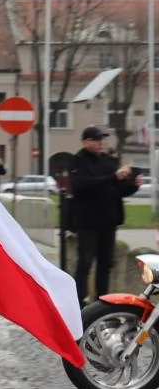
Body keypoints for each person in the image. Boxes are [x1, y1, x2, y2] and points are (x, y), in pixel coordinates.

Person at [69, 126, 141, 304]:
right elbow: (83, 185)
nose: (100, 143)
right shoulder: (78, 161)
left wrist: (133, 185)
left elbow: (118, 190)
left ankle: (102, 301)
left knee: (105, 264)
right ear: (85, 141)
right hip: (87, 221)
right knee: (85, 262)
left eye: (102, 139)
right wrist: (114, 178)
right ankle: (79, 300)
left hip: (108, 220)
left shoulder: (110, 161)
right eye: (96, 139)